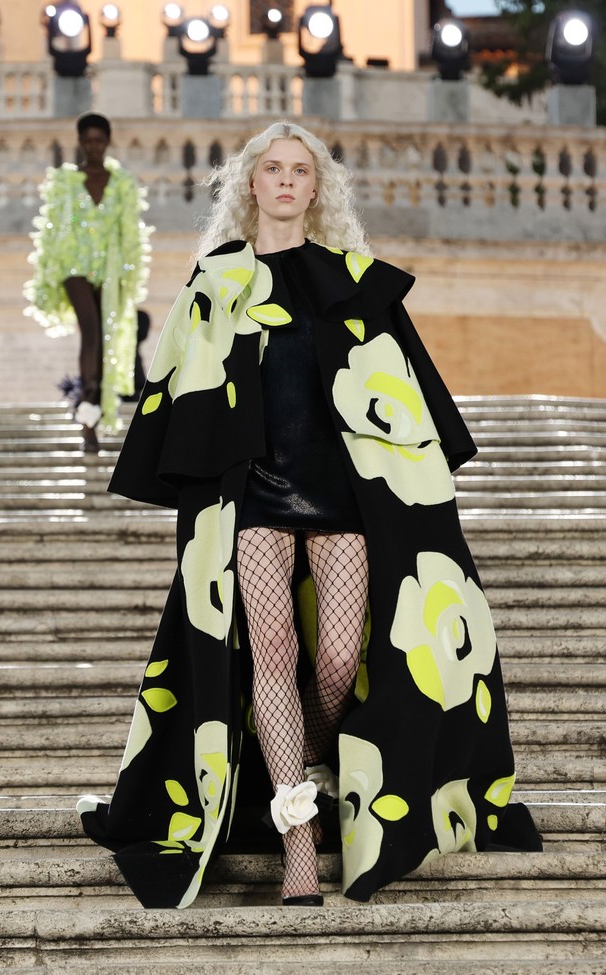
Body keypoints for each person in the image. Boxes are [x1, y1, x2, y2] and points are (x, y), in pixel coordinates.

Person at [77, 121, 541, 909]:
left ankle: (302, 765)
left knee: (332, 663)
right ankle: (298, 831)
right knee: (271, 650)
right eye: (273, 169)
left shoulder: (354, 281)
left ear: (315, 188)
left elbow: (407, 400)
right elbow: (181, 399)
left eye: (300, 170)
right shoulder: (215, 283)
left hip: (341, 496)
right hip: (254, 494)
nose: (287, 181)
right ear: (249, 185)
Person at [24, 112, 152, 451]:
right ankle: (88, 412)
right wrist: (50, 272)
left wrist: (128, 274)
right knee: (92, 332)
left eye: (99, 140)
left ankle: (90, 417)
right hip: (74, 265)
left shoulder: (122, 182)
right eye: (88, 140)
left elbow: (130, 233)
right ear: (80, 142)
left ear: (107, 142)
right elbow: (53, 230)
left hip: (109, 267)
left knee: (105, 341)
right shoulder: (65, 181)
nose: (94, 146)